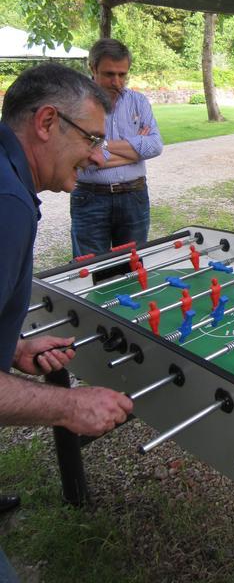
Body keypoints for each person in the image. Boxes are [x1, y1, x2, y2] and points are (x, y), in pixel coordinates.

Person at [0, 63, 134, 581]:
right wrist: (67, 404)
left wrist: (10, 349)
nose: (99, 155)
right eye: (92, 138)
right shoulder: (7, 204)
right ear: (46, 122)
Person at [70, 38, 163, 257]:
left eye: (122, 74)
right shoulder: (75, 104)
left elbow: (155, 146)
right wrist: (135, 153)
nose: (117, 82)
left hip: (134, 195)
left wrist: (100, 145)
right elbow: (83, 159)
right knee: (90, 272)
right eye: (109, 74)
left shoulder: (138, 102)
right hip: (89, 198)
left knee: (132, 269)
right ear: (92, 68)